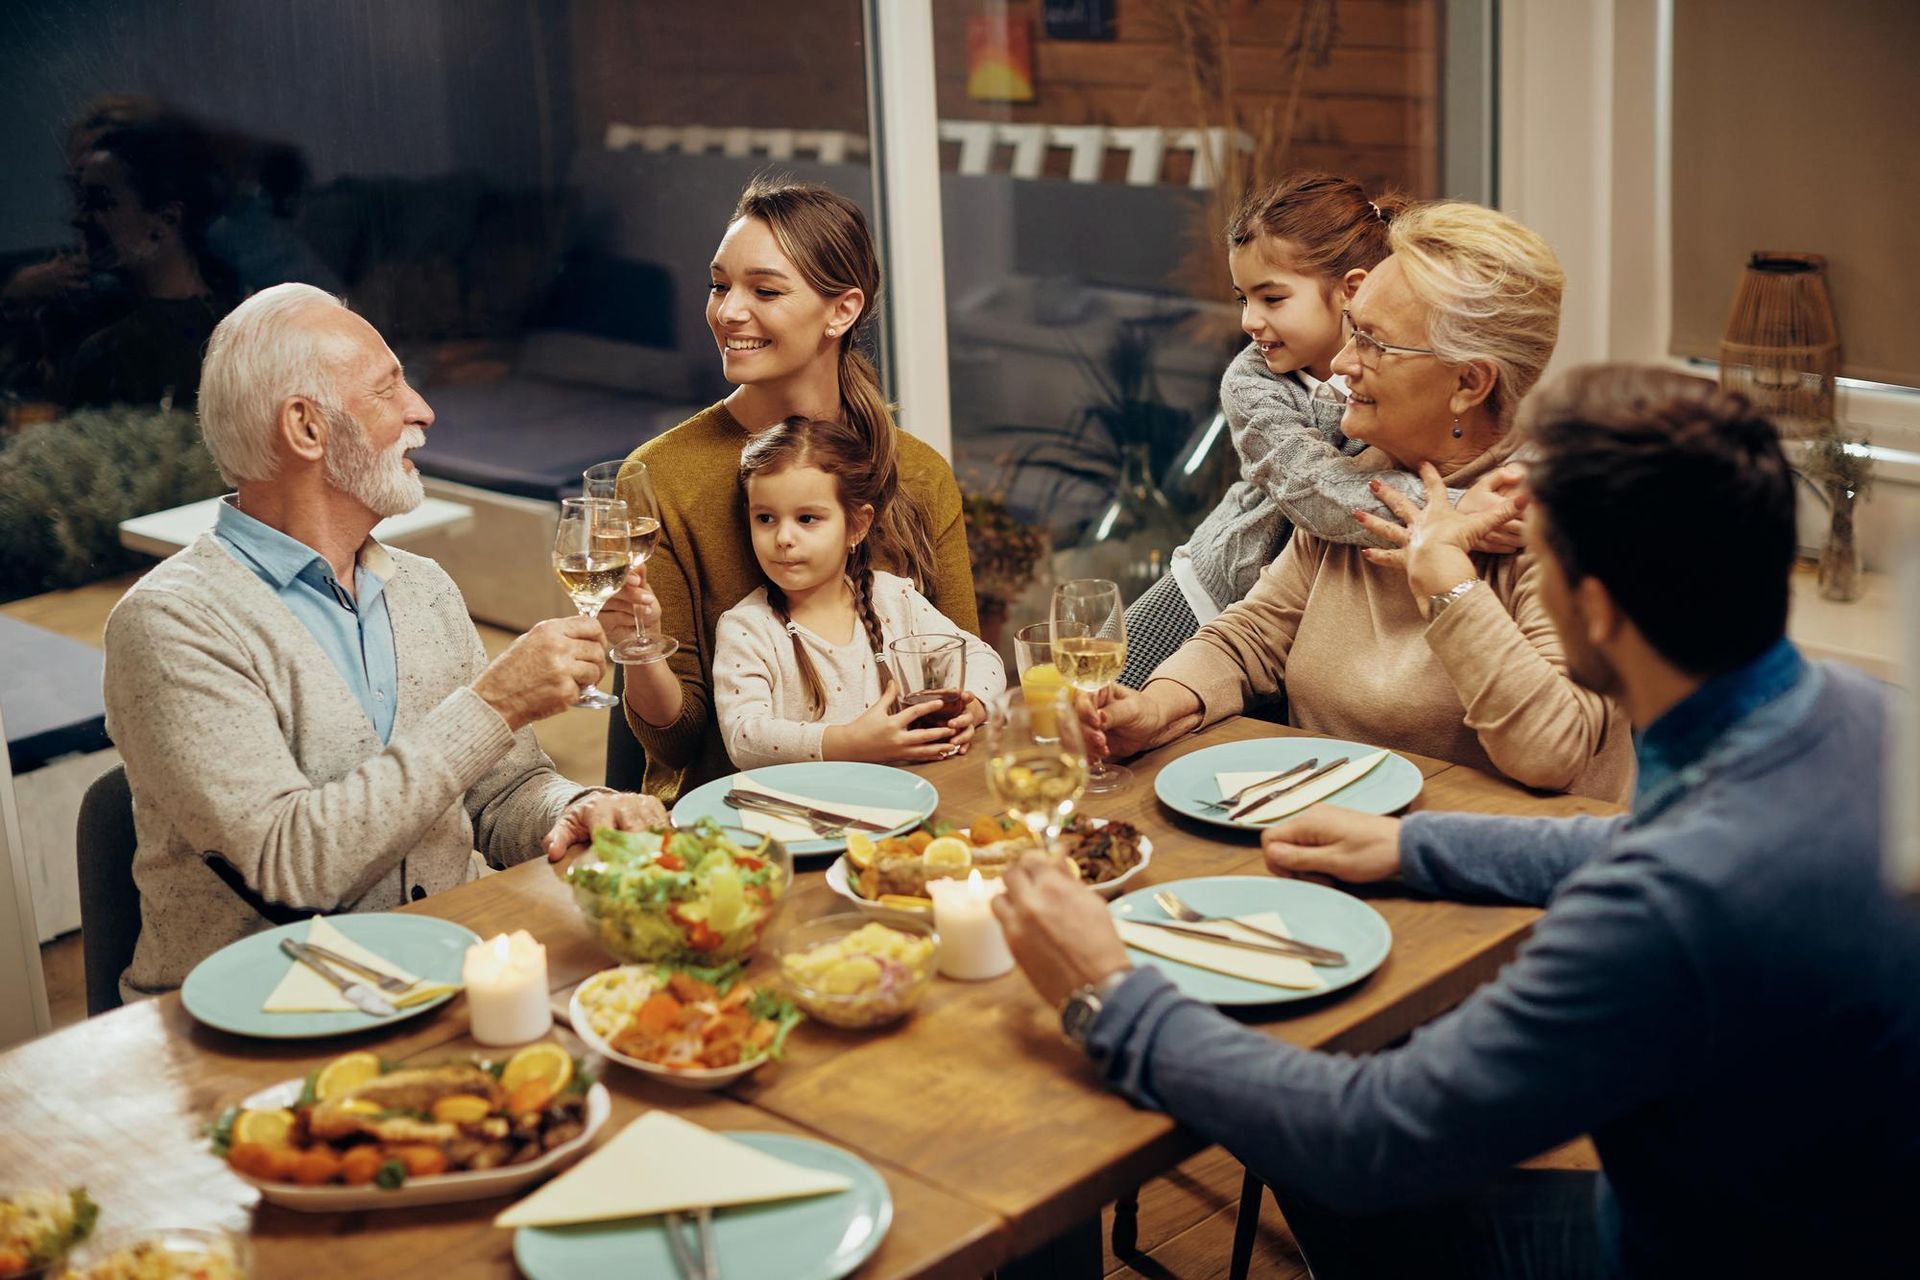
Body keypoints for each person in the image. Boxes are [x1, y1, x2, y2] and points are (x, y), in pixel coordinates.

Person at [993, 365, 1920, 1278]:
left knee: (1317, 1157)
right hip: (1836, 1222)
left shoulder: (1671, 905)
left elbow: (1368, 1135)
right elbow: (1660, 839)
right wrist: (1417, 842)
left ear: (1594, 607)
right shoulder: (1853, 712)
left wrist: (1107, 991)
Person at [102, 283, 666, 999]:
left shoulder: (422, 586)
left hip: (448, 971)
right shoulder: (171, 624)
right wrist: (493, 704)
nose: (422, 411)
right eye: (388, 388)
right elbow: (292, 863)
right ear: (306, 428)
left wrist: (570, 807)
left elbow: (502, 791)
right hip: (258, 1027)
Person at [1085, 201, 1632, 801]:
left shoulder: (1561, 524)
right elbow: (1252, 634)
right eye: (1353, 331)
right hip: (1325, 837)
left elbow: (1554, 752)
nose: (1343, 365)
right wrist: (1156, 708)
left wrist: (1447, 578)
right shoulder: (1359, 482)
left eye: (1374, 343)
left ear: (1469, 384)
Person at [609, 178, 979, 799]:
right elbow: (677, 745)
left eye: (765, 290)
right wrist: (639, 651)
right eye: (720, 285)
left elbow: (961, 672)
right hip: (741, 821)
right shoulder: (658, 479)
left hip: (909, 804)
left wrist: (971, 708)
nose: (727, 311)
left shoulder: (918, 473)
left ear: (842, 310)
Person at [1120, 173, 1524, 688]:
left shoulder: (1399, 380)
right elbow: (1312, 490)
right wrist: (1455, 512)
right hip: (1213, 594)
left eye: (1271, 298)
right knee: (1094, 706)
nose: (1248, 319)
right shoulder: (1252, 383)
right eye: (1243, 298)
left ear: (1350, 290)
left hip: (1303, 617)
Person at [640, 416, 1006, 769]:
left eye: (807, 519)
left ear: (857, 526)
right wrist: (848, 743)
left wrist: (973, 705)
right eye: (765, 518)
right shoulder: (747, 628)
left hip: (902, 800)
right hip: (802, 818)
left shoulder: (895, 600)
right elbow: (745, 737)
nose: (783, 538)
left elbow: (978, 654)